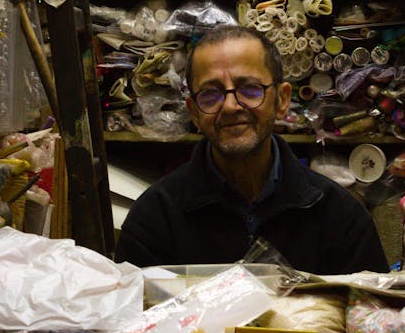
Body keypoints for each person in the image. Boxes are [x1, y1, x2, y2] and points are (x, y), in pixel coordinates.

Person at [115, 24, 388, 275]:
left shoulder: (340, 217)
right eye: (211, 94)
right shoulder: (155, 218)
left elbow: (373, 321)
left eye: (250, 89)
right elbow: (130, 322)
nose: (231, 106)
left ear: (281, 100)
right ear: (194, 113)